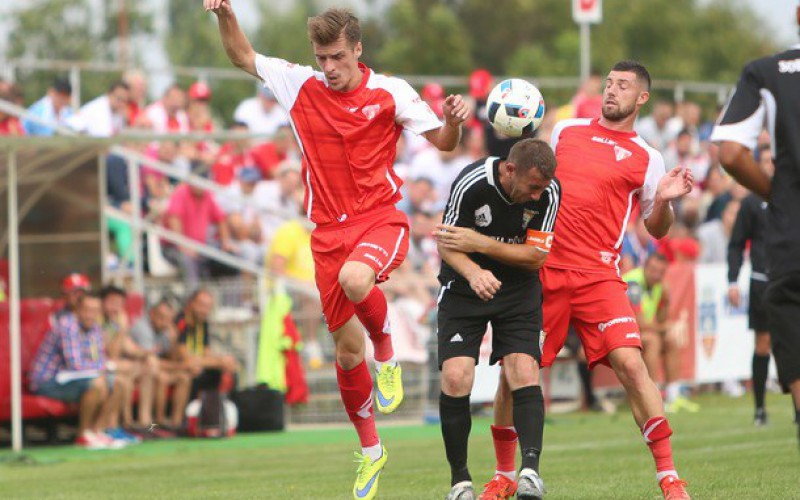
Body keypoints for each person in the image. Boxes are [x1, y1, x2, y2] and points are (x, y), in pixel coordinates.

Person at [203, 4, 470, 497]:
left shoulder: (390, 92)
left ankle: (387, 354)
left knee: (356, 280)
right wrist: (225, 11)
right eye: (322, 57)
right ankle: (372, 452)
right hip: (326, 233)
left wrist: (453, 121)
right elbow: (241, 54)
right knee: (347, 356)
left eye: (338, 56)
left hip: (381, 219)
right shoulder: (298, 85)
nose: (328, 67)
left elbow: (444, 142)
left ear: (358, 49)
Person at [489, 61, 693, 500]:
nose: (611, 91)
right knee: (514, 372)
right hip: (544, 270)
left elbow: (656, 228)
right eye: (609, 83)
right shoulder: (566, 131)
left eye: (623, 86)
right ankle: (505, 477)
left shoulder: (648, 157)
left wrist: (667, 202)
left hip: (599, 276)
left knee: (632, 366)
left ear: (642, 98)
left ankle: (670, 477)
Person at [433, 138, 560, 500]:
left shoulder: (550, 193)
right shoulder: (471, 182)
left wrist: (483, 243)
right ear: (509, 170)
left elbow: (535, 256)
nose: (538, 197)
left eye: (543, 188)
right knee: (456, 377)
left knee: (523, 369)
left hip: (518, 287)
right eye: (533, 187)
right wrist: (474, 272)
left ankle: (530, 473)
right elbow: (446, 242)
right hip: (463, 283)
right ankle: (460, 482)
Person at [711, 6, 800, 444]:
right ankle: (760, 407)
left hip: (793, 239)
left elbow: (729, 153)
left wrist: (779, 197)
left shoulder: (767, 72)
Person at [28, 293, 126, 449]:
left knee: (120, 383)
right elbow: (75, 365)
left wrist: (108, 367)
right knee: (98, 383)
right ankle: (82, 435)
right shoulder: (68, 326)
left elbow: (98, 358)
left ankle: (97, 431)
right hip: (47, 381)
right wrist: (108, 367)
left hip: (73, 379)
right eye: (87, 310)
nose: (90, 315)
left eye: (95, 311)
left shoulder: (95, 328)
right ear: (77, 310)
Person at [624, 253, 698, 414]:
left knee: (671, 339)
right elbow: (640, 322)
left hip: (642, 332)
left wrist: (666, 301)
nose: (656, 275)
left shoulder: (659, 286)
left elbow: (661, 319)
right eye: (653, 270)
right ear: (645, 268)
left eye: (660, 273)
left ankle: (673, 396)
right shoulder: (633, 283)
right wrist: (663, 328)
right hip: (624, 332)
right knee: (652, 340)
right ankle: (652, 396)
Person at [727, 176, 772, 425]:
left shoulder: (790, 198)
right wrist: (732, 280)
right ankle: (760, 409)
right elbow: (736, 244)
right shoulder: (751, 203)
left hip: (791, 277)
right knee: (763, 342)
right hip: (762, 280)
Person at [129, 299, 192, 430]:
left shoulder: (165, 329)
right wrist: (181, 366)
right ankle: (159, 423)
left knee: (184, 377)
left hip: (156, 368)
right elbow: (151, 360)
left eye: (168, 319)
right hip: (138, 369)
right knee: (162, 377)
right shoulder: (142, 328)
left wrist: (175, 338)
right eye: (161, 317)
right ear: (151, 314)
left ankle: (176, 423)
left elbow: (172, 357)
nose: (164, 322)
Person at [174, 289, 239, 399]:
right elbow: (186, 359)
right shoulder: (181, 321)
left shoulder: (203, 323)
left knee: (229, 370)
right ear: (191, 303)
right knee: (195, 371)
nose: (205, 311)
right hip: (180, 368)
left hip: (198, 365)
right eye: (201, 305)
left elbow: (207, 353)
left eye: (208, 307)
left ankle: (219, 409)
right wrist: (219, 361)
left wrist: (223, 362)